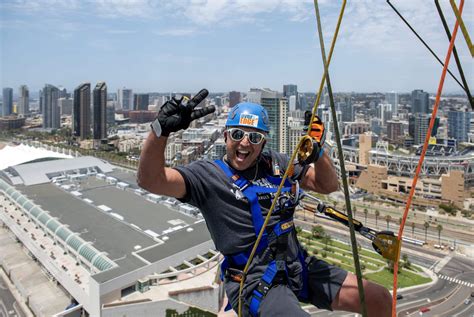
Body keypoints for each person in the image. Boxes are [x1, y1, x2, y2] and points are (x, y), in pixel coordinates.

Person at [138, 91, 391, 317]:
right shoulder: (207, 176)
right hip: (254, 280)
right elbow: (151, 180)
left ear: (264, 143)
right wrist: (160, 131)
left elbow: (327, 185)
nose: (245, 143)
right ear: (225, 136)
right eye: (237, 134)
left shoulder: (276, 164)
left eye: (254, 137)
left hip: (297, 265)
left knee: (380, 299)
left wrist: (319, 153)